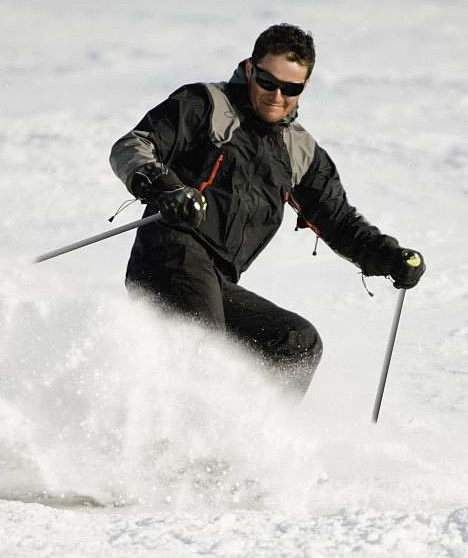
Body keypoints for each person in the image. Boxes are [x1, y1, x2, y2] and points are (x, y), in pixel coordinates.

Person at [110, 23, 425, 396]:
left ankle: (261, 441)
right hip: (170, 256)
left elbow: (337, 220)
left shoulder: (300, 151)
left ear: (304, 87)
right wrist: (166, 188)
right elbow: (132, 146)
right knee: (203, 350)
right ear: (249, 69)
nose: (277, 95)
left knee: (296, 343)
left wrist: (388, 256)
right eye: (267, 81)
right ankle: (183, 448)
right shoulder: (206, 104)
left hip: (219, 280)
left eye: (290, 88)